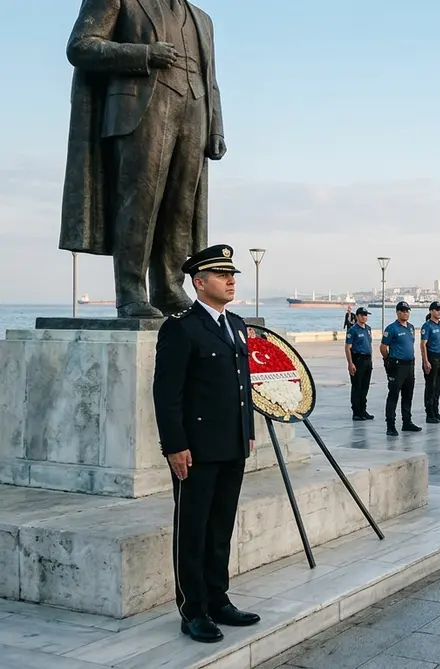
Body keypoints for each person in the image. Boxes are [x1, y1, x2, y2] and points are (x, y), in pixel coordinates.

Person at [62, 0, 226, 319]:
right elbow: (81, 46)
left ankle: (169, 289)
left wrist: (216, 127)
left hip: (195, 112)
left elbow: (210, 80)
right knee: (139, 202)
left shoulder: (203, 20)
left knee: (181, 207)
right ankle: (131, 291)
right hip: (139, 110)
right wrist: (144, 54)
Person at [153, 244, 259, 643]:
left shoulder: (236, 325)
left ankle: (218, 598)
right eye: (221, 275)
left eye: (232, 274)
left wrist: (246, 431)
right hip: (194, 451)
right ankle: (192, 609)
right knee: (193, 530)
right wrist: (174, 446)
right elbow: (167, 394)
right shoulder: (181, 327)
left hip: (231, 445)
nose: (231, 280)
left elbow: (241, 386)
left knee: (220, 528)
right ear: (199, 282)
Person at [381, 302, 421, 436]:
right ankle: (390, 425)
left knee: (408, 395)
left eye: (407, 311)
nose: (406, 313)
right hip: (397, 366)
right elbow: (383, 347)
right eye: (403, 311)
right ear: (397, 312)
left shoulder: (410, 328)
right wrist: (389, 360)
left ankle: (407, 422)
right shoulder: (392, 328)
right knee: (393, 395)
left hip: (409, 365)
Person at [421, 302, 440, 423]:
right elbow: (423, 344)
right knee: (430, 386)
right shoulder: (427, 326)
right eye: (437, 310)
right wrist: (426, 361)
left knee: (438, 387)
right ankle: (430, 413)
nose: (439, 312)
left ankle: (436, 412)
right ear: (431, 311)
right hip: (432, 357)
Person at [346, 307, 374, 420]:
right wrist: (350, 363)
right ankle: (356, 412)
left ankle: (363, 410)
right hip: (358, 359)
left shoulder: (368, 329)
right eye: (362, 315)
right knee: (357, 386)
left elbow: (369, 345)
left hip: (367, 360)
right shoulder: (353, 330)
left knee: (365, 387)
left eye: (366, 315)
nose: (364, 317)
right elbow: (348, 348)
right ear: (357, 316)